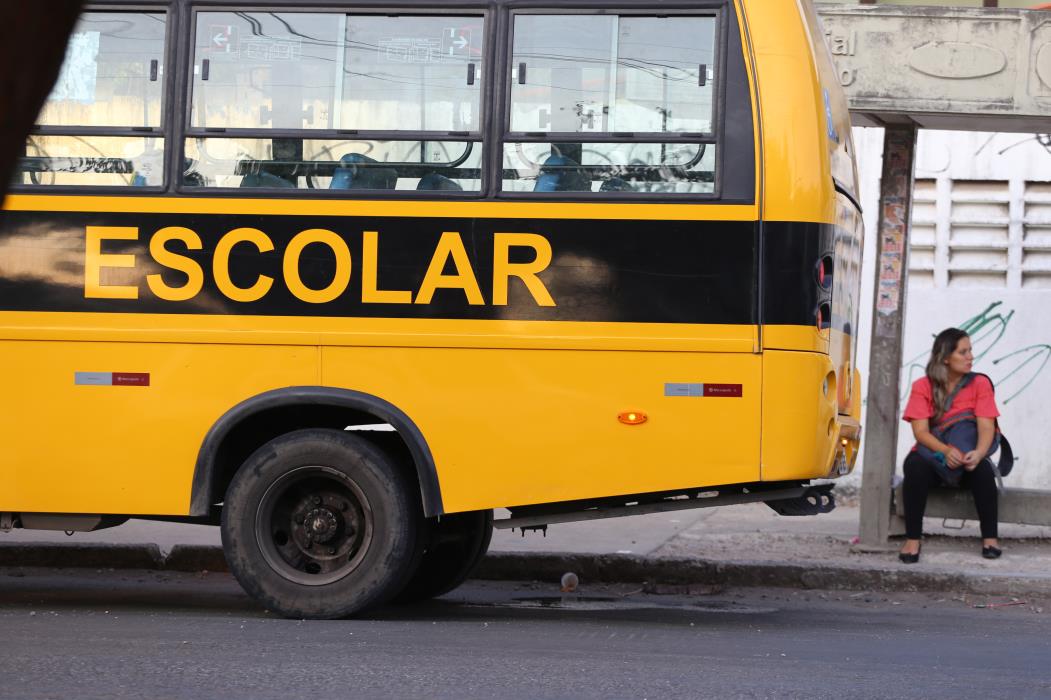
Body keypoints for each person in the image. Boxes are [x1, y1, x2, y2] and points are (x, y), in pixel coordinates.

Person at [898, 328, 1001, 563]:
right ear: (946, 357)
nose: (970, 357)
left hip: (967, 459)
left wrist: (979, 453)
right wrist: (944, 450)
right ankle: (913, 539)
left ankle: (990, 539)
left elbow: (987, 427)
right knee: (914, 466)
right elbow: (920, 432)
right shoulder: (922, 386)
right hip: (935, 458)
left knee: (984, 471)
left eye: (970, 351)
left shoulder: (980, 383)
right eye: (963, 352)